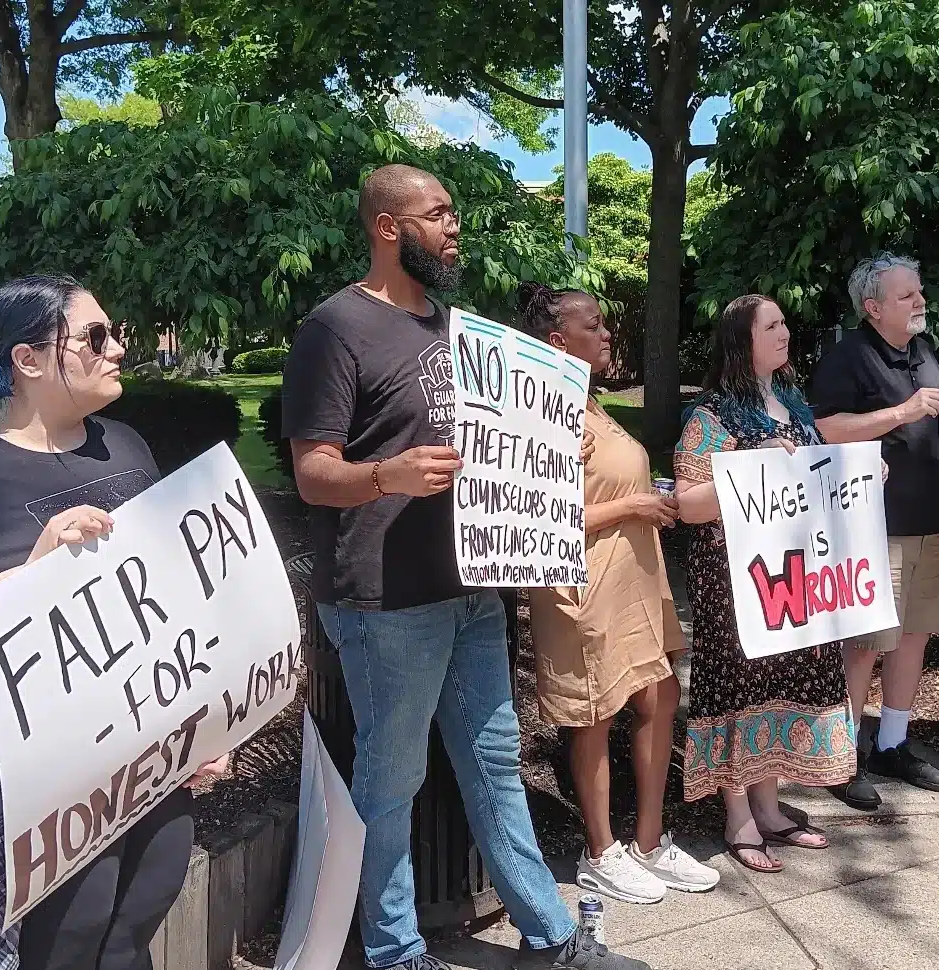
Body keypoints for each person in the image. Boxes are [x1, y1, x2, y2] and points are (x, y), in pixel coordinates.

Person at [282, 164, 649, 970]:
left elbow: (497, 439)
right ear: (388, 228)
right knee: (391, 781)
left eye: (454, 214)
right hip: (385, 599)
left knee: (495, 766)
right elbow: (312, 471)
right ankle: (394, 950)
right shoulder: (334, 328)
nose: (454, 228)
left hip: (473, 586)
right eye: (438, 214)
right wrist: (386, 475)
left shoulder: (459, 330)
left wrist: (550, 443)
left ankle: (551, 936)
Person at [0, 275, 229, 970]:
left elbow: (172, 591)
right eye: (95, 337)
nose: (117, 349)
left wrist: (211, 718)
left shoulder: (128, 445)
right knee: (67, 940)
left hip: (152, 756)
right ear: (27, 360)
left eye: (113, 334)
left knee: (134, 928)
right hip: (47, 783)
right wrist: (36, 570)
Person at [520, 282, 719, 903]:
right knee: (595, 715)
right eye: (595, 326)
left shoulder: (590, 403)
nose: (608, 334)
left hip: (635, 578)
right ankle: (601, 851)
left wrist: (646, 496)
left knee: (660, 695)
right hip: (583, 585)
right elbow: (533, 517)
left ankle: (649, 842)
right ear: (559, 342)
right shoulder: (538, 414)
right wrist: (634, 504)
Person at [673, 294, 857, 873]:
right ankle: (739, 817)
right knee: (740, 688)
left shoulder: (793, 404)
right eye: (771, 325)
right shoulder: (711, 416)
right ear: (742, 340)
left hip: (791, 581)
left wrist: (856, 472)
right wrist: (754, 464)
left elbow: (814, 475)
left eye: (783, 323)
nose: (784, 333)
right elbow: (688, 504)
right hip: (736, 584)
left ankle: (770, 809)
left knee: (778, 683)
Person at [809, 253, 939, 809]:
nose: (920, 301)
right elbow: (825, 428)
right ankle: (844, 757)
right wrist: (900, 413)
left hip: (929, 522)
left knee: (914, 636)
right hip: (873, 527)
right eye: (906, 295)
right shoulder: (849, 357)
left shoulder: (925, 351)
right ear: (873, 307)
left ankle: (891, 743)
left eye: (919, 291)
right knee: (865, 645)